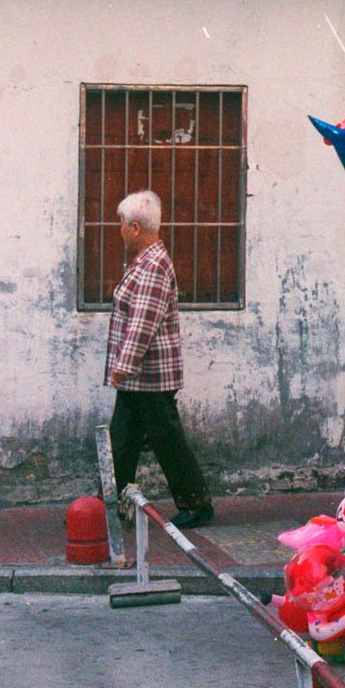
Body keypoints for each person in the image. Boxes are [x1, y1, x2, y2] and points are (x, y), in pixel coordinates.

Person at [105, 190, 213, 529]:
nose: (120, 229)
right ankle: (111, 504)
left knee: (166, 441)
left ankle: (196, 504)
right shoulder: (146, 261)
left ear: (135, 227)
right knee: (122, 440)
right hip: (141, 377)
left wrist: (123, 366)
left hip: (149, 376)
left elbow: (143, 322)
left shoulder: (152, 266)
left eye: (122, 223)